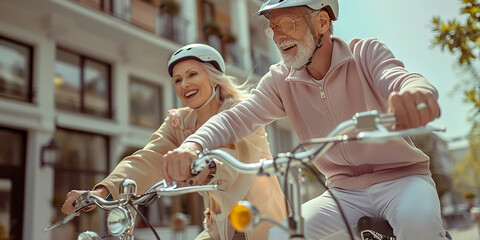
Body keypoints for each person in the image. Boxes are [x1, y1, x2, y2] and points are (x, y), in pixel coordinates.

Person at [163, 1, 449, 240]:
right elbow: (235, 118)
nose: (277, 37)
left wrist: (417, 95)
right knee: (282, 235)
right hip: (342, 192)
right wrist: (193, 145)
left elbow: (401, 79)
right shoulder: (280, 80)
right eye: (272, 28)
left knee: (418, 222)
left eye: (287, 24)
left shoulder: (365, 53)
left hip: (403, 180)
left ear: (322, 22)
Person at [60, 43, 287, 240]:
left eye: (192, 74)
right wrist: (101, 193)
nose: (184, 84)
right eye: (177, 79)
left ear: (213, 77)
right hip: (218, 226)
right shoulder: (179, 122)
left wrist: (205, 166)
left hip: (259, 221)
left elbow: (233, 158)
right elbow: (148, 158)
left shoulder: (242, 111)